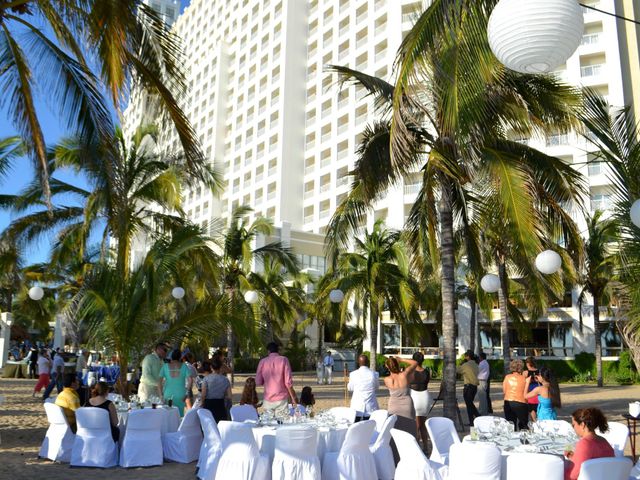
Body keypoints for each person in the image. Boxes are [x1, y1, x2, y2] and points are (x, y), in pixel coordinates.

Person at [564, 407, 614, 480]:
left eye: (573, 425)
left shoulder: (584, 444)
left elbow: (572, 476)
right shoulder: (604, 441)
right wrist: (573, 457)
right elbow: (594, 460)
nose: (573, 428)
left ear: (582, 425)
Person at [256, 342, 297, 414]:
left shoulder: (262, 362)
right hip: (281, 399)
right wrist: (293, 398)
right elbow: (288, 382)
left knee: (269, 424)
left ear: (268, 351)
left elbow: (258, 382)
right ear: (278, 350)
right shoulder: (284, 360)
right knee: (282, 423)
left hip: (268, 399)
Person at [384, 356, 418, 436]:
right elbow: (415, 363)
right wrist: (401, 359)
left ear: (387, 367)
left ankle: (395, 448)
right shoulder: (404, 375)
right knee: (409, 429)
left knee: (394, 429)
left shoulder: (387, 379)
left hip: (394, 405)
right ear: (397, 364)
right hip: (407, 404)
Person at [348, 354, 379, 421]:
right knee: (369, 427)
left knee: (356, 426)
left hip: (357, 405)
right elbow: (376, 387)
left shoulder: (353, 374)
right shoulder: (375, 374)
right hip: (370, 404)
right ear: (368, 362)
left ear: (358, 362)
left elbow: (350, 388)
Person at [158, 349, 190, 415]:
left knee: (167, 415)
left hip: (168, 394)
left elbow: (159, 382)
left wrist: (161, 395)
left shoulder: (165, 366)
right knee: (178, 415)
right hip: (181, 394)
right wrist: (187, 394)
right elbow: (190, 380)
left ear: (171, 357)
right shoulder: (184, 366)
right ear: (180, 357)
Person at [201, 356, 232, 423]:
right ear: (220, 367)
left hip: (208, 405)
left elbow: (203, 395)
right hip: (220, 405)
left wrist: (202, 404)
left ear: (211, 367)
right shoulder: (225, 380)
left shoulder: (206, 379)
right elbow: (229, 397)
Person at [409, 352, 430, 448]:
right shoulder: (426, 372)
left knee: (416, 426)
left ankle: (416, 447)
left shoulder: (410, 372)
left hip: (415, 397)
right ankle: (425, 446)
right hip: (425, 397)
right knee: (422, 425)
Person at [502, 359, 528, 430]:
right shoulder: (524, 378)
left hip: (508, 401)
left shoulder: (507, 377)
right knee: (523, 425)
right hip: (521, 402)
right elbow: (526, 392)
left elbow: (504, 391)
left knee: (511, 426)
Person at [456, 350, 480, 425]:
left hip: (468, 387)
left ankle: (478, 417)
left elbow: (457, 370)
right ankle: (472, 421)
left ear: (468, 357)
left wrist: (460, 364)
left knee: (469, 404)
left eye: (465, 356)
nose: (465, 357)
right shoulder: (476, 365)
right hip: (474, 387)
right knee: (470, 404)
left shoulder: (466, 365)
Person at [524, 356, 540, 421]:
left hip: (530, 393)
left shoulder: (525, 373)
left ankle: (534, 425)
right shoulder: (539, 371)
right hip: (539, 393)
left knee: (532, 413)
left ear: (528, 364)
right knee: (538, 412)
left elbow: (523, 383)